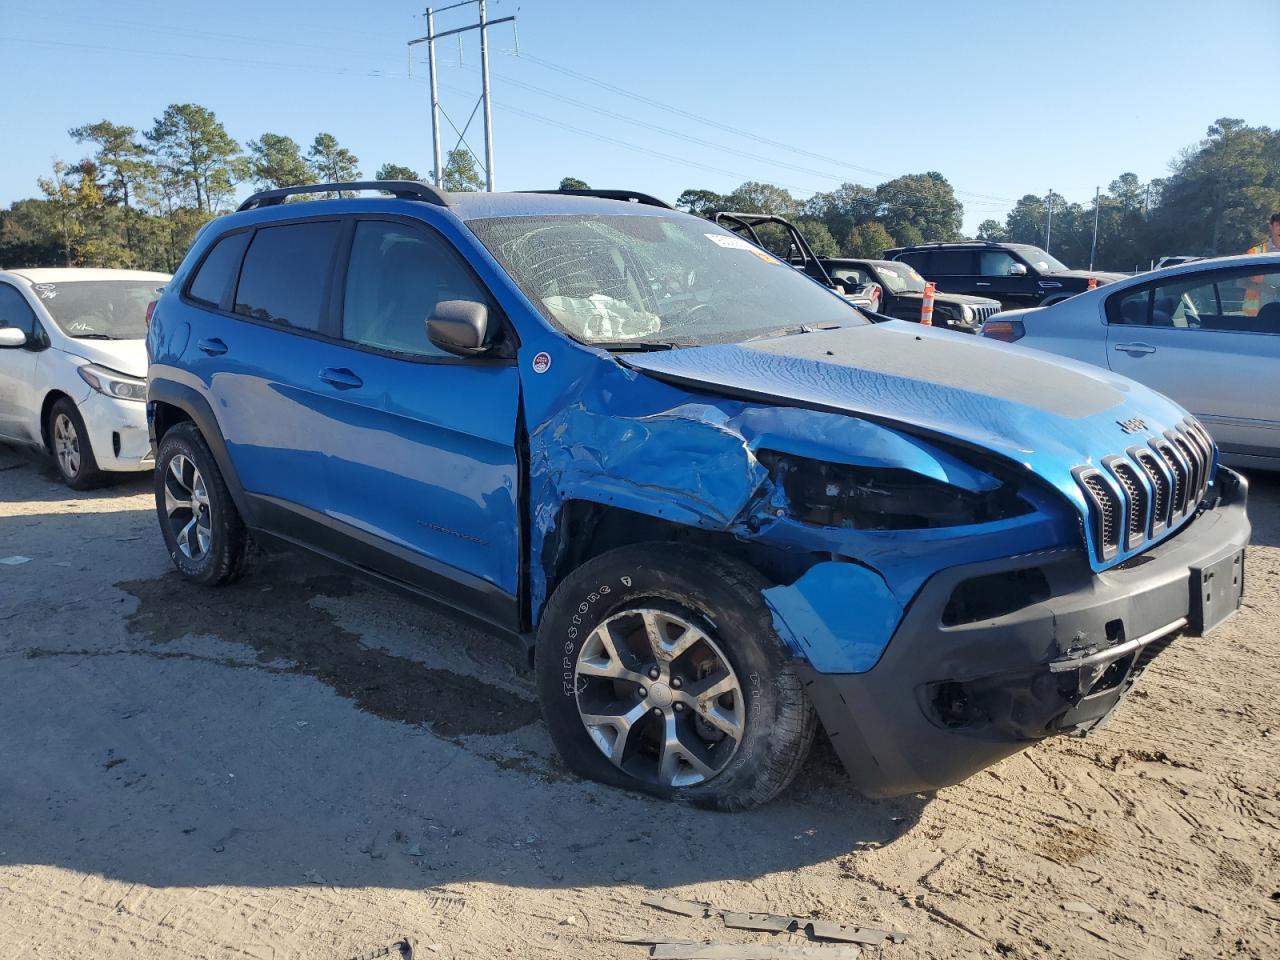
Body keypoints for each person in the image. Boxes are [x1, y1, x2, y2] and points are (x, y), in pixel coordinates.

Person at [1242, 212, 1280, 315]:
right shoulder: (1255, 253)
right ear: (1271, 227)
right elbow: (1245, 281)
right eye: (1278, 224)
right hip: (1259, 317)